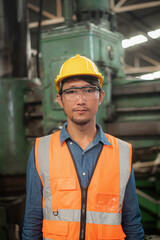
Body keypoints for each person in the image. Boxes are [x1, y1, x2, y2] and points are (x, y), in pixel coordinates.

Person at [22, 54, 144, 240]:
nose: (80, 100)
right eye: (71, 92)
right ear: (60, 100)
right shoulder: (41, 150)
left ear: (100, 96)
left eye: (88, 90)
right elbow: (32, 221)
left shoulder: (122, 152)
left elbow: (132, 223)